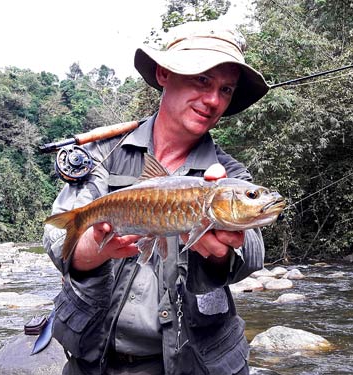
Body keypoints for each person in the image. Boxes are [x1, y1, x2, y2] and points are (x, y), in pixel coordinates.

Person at [43, 21, 269, 375]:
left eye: (226, 90)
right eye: (202, 80)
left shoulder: (227, 176)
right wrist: (88, 251)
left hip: (193, 364)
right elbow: (58, 236)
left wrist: (221, 253)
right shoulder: (104, 153)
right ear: (164, 73)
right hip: (93, 361)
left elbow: (253, 251)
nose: (213, 100)